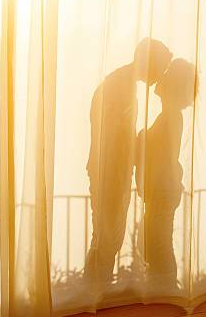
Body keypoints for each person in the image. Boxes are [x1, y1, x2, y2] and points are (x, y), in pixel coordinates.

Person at [84, 38, 172, 283]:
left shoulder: (122, 84)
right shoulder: (120, 87)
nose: (161, 75)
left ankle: (95, 291)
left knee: (106, 237)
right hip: (109, 173)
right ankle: (95, 290)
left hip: (112, 172)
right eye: (161, 68)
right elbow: (115, 138)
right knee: (106, 237)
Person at [135, 58, 196, 289]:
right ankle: (165, 289)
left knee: (158, 243)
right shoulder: (169, 116)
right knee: (153, 241)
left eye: (167, 74)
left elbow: (167, 156)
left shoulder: (171, 116)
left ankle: (168, 291)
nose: (160, 78)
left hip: (164, 189)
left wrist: (143, 140)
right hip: (162, 189)